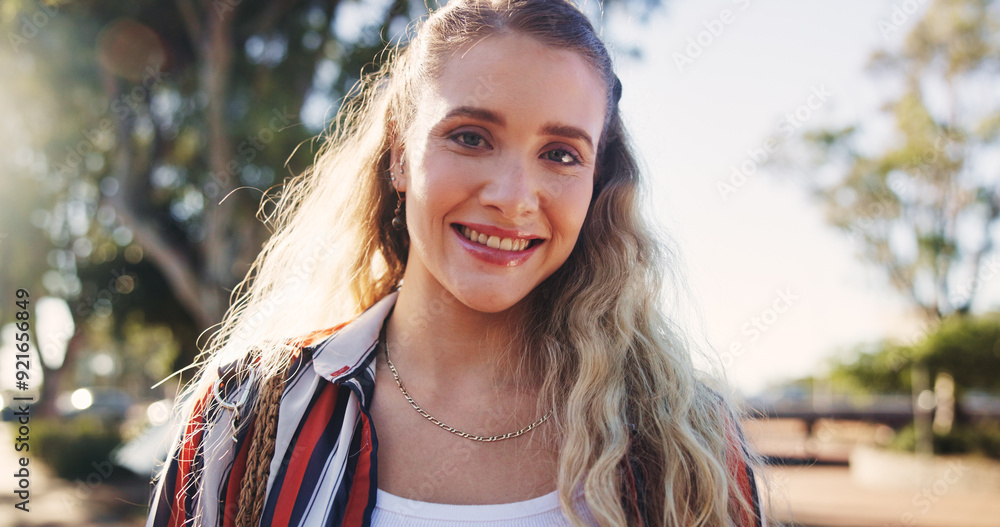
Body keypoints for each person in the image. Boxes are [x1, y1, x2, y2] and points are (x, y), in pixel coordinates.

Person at [146, 0, 767, 525]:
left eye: (560, 154)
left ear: (597, 183)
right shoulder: (245, 414)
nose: (513, 197)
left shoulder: (685, 440)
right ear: (398, 156)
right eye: (470, 137)